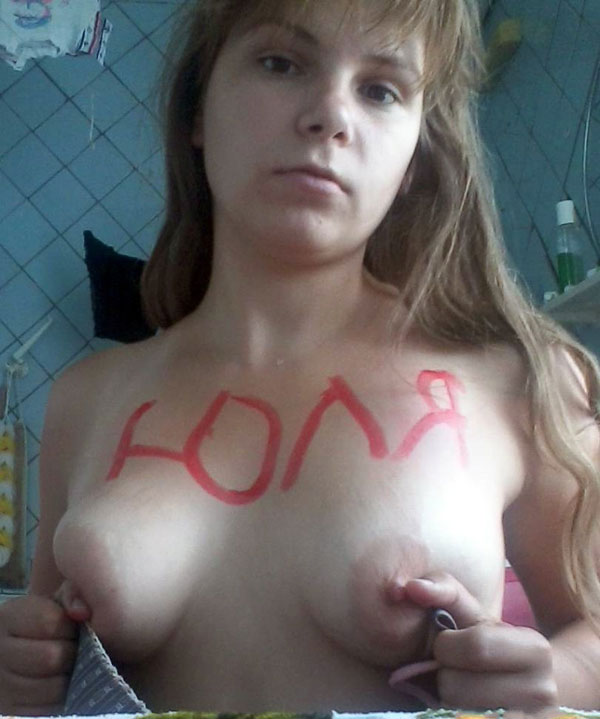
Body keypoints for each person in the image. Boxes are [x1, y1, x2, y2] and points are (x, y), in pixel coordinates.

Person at [1, 0, 600, 714]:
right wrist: (20, 672)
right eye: (281, 63)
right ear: (196, 109)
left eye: (380, 89)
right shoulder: (86, 399)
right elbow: (38, 661)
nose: (330, 116)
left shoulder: (521, 380)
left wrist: (556, 676)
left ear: (416, 154)